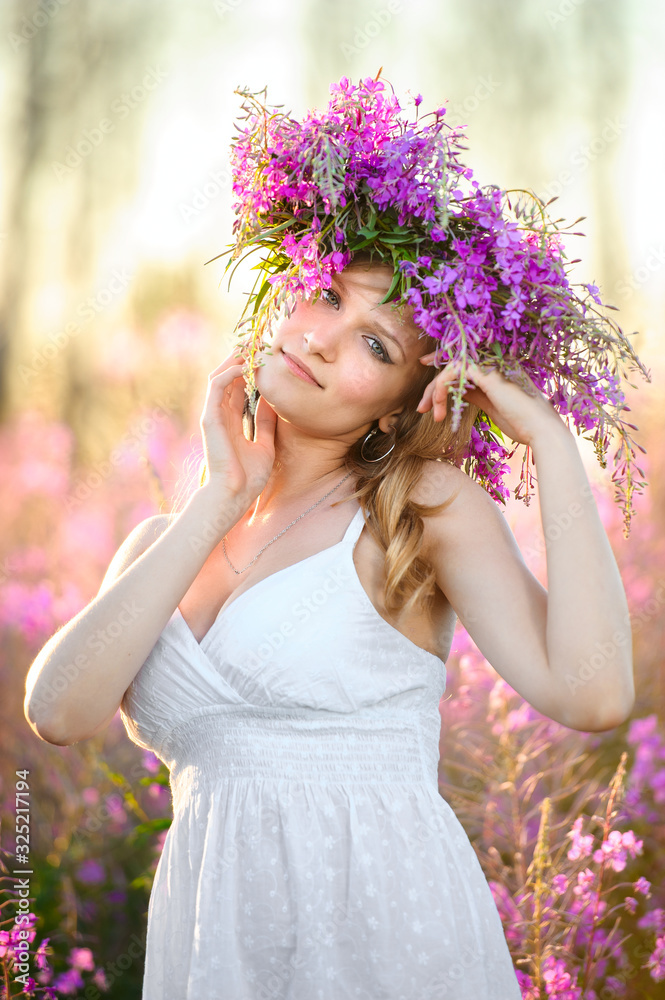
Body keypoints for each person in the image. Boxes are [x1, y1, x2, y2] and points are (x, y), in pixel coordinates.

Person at [24, 79, 637, 999]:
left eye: (375, 345)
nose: (320, 339)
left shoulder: (416, 511)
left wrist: (551, 443)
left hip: (391, 943)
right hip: (216, 954)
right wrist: (218, 499)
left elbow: (593, 693)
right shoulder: (165, 541)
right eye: (321, 296)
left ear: (399, 407)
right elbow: (59, 713)